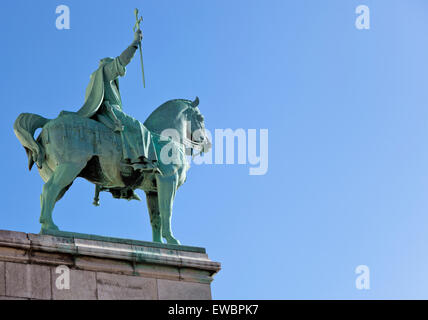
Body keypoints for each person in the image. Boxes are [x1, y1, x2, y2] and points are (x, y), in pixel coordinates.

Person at [76, 29, 157, 172]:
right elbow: (123, 60)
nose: (119, 73)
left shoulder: (95, 81)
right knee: (139, 127)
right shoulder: (105, 72)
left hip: (104, 112)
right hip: (111, 111)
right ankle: (142, 161)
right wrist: (135, 42)